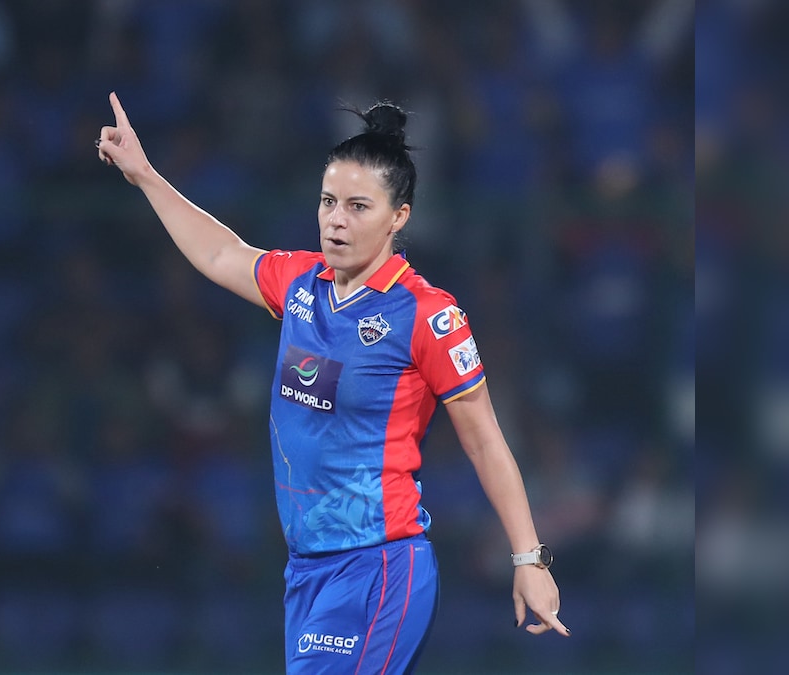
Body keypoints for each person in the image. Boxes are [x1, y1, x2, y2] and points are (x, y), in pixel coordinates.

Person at [95, 91, 569, 674]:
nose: (336, 219)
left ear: (399, 217)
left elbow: (485, 441)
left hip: (379, 567)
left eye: (358, 206)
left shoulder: (427, 315)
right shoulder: (300, 284)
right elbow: (221, 254)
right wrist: (145, 176)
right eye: (328, 201)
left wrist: (529, 558)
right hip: (307, 569)